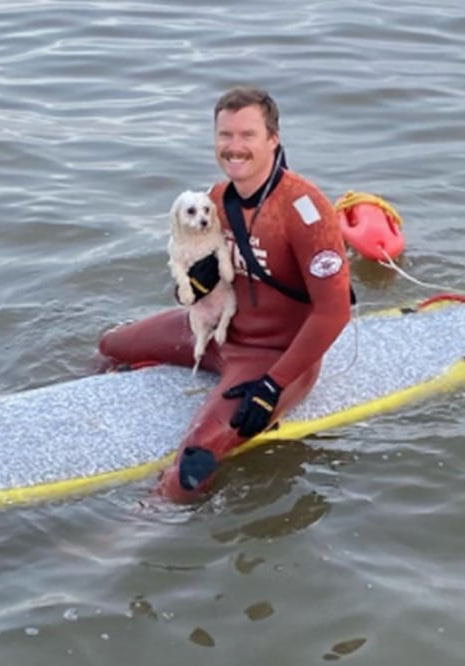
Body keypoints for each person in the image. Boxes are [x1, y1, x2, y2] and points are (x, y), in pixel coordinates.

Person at [98, 86, 352, 501]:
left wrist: (273, 385)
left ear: (273, 139)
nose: (234, 148)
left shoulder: (306, 210)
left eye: (247, 135)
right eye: (225, 136)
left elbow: (334, 312)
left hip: (271, 356)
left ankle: (135, 536)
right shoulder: (215, 200)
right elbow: (194, 283)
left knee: (194, 462)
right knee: (110, 344)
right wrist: (192, 288)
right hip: (218, 334)